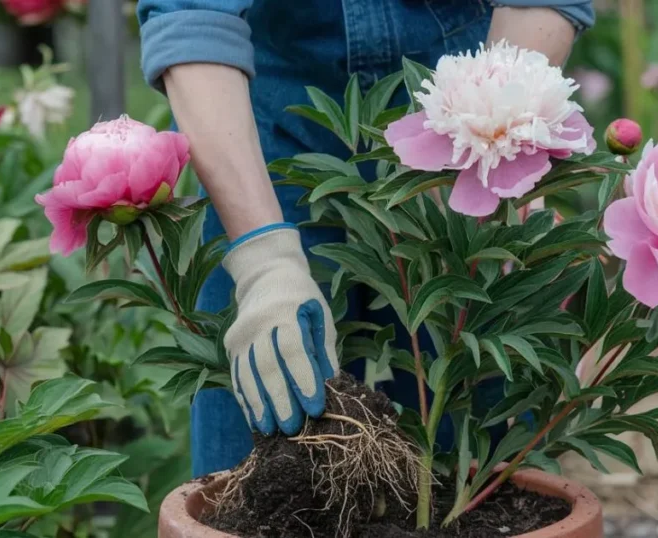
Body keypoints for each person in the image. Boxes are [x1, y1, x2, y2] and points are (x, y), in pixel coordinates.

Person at [136, 0, 595, 478]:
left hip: (465, 78)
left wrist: (503, 133)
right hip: (256, 107)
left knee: (478, 452)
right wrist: (263, 260)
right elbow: (192, 17)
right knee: (260, 456)